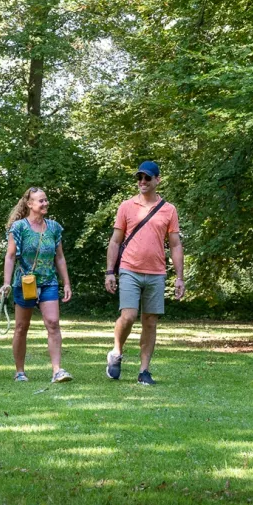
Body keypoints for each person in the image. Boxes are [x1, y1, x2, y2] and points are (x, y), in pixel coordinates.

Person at [104, 161, 184, 385]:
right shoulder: (126, 206)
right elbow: (115, 240)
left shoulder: (169, 209)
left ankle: (144, 370)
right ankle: (116, 352)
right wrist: (110, 272)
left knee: (150, 322)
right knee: (128, 316)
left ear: (157, 180)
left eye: (147, 178)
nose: (142, 182)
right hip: (129, 269)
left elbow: (175, 245)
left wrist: (179, 277)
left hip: (156, 272)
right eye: (139, 178)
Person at [1, 187, 73, 383]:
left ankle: (57, 370)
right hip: (25, 283)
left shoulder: (54, 228)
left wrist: (66, 283)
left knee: (53, 323)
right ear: (29, 204)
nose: (45, 203)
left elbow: (59, 258)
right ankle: (20, 371)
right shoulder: (19, 228)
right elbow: (9, 256)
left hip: (48, 282)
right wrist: (6, 283)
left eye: (46, 200)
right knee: (21, 327)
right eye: (40, 201)